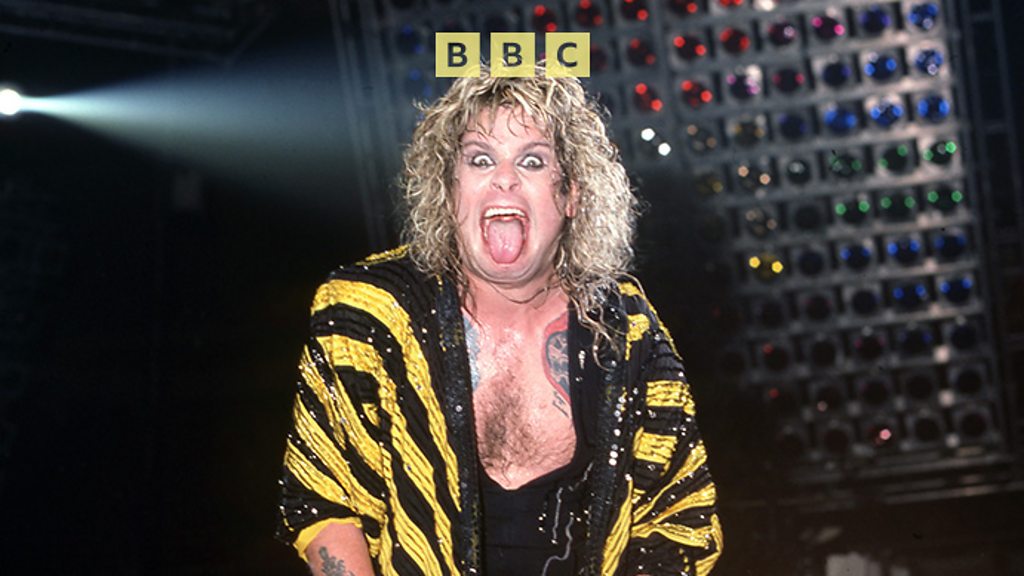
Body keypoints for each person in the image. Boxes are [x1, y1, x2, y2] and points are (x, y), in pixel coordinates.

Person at [276, 64, 723, 576]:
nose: (505, 178)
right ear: (449, 191)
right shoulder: (369, 313)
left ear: (571, 195)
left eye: (532, 161)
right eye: (481, 159)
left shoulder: (625, 330)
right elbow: (326, 501)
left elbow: (681, 518)